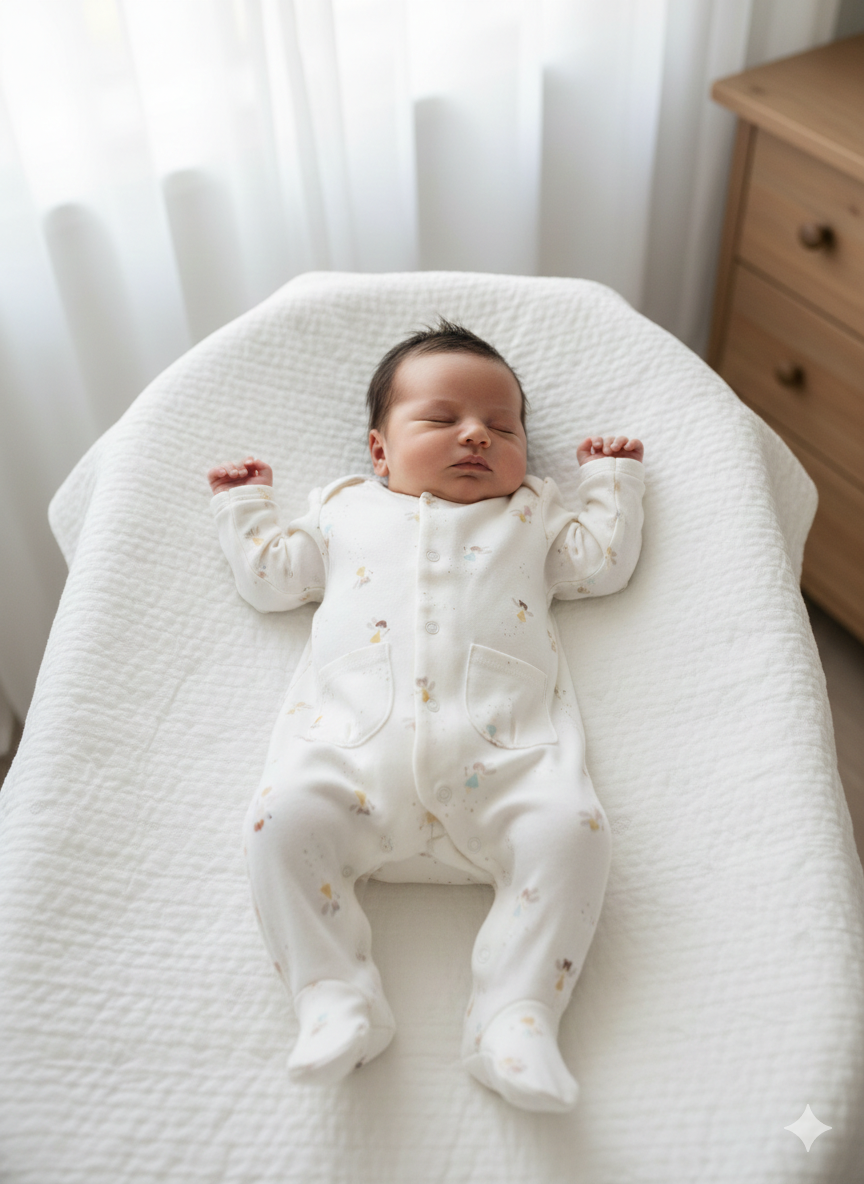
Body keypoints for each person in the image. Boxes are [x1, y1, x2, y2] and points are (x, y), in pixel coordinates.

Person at [207, 321, 645, 1113]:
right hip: (352, 761)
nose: (476, 435)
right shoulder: (343, 510)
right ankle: (334, 997)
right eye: (442, 419)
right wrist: (246, 506)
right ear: (380, 452)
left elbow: (601, 565)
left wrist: (610, 483)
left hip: (506, 763)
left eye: (503, 428)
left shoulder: (532, 514)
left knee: (573, 832)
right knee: (279, 821)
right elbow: (272, 580)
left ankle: (515, 1014)